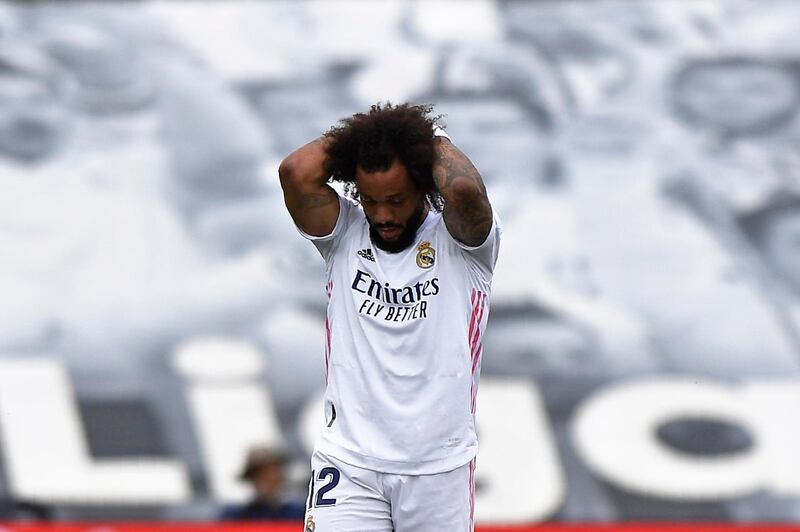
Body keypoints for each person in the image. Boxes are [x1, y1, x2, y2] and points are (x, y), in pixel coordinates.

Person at [278, 102, 501, 531]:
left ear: (422, 185)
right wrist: (367, 133)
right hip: (349, 461)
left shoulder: (467, 246)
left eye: (396, 200)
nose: (382, 215)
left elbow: (464, 192)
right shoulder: (343, 234)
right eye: (370, 200)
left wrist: (421, 136)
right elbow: (295, 172)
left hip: (439, 468)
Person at [219, 445, 306, 521]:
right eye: (263, 475)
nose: (271, 479)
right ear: (253, 479)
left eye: (274, 473)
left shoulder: (297, 513)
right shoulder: (239, 517)